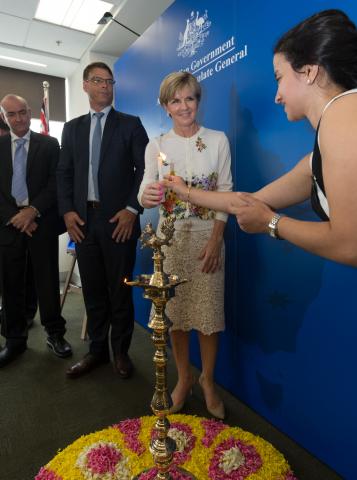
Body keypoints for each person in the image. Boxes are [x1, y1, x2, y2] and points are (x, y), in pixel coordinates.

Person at [164, 10, 357, 268]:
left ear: (309, 72)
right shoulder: (326, 143)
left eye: (279, 77)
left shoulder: (341, 112)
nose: (277, 96)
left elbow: (349, 245)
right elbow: (246, 201)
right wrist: (182, 191)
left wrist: (270, 222)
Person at [139, 72, 233, 419]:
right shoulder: (157, 145)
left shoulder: (218, 140)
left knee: (208, 316)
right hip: (171, 240)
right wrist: (147, 195)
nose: (183, 106)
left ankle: (208, 380)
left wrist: (216, 238)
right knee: (176, 318)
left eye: (189, 98)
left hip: (209, 238)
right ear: (165, 107)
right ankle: (184, 378)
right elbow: (145, 190)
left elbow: (226, 191)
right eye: (175, 101)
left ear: (198, 101)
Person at [57, 62, 148, 379]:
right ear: (85, 85)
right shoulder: (72, 128)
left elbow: (146, 171)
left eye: (110, 81)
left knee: (119, 290)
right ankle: (97, 352)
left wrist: (132, 209)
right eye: (98, 81)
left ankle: (120, 352)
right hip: (82, 221)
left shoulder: (131, 124)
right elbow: (64, 173)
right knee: (94, 290)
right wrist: (67, 211)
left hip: (118, 220)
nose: (105, 86)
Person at [0, 95, 72, 367]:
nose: (18, 119)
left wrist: (32, 211)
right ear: (4, 117)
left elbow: (56, 182)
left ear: (30, 112)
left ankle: (55, 334)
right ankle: (14, 340)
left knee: (47, 281)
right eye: (11, 114)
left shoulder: (49, 144)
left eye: (22, 112)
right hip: (8, 227)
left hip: (40, 223)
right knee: (11, 284)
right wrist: (15, 217)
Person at [0, 117, 38, 328]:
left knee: (30, 274)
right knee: (8, 280)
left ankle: (28, 314)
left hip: (34, 220)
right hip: (6, 222)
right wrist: (16, 217)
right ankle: (10, 324)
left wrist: (30, 214)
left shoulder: (40, 145)